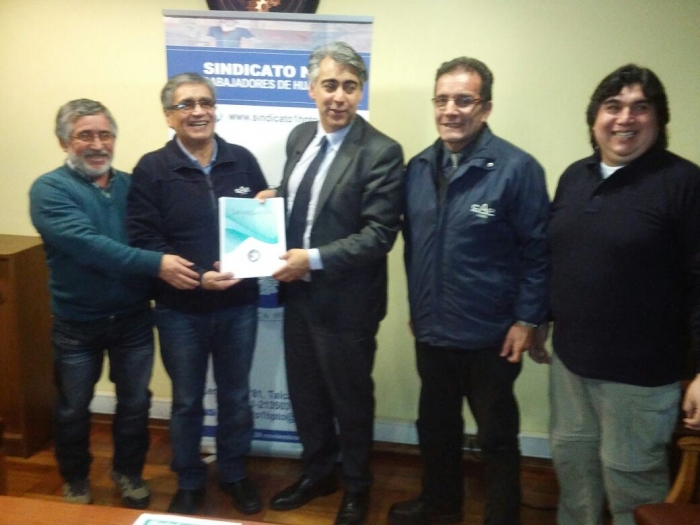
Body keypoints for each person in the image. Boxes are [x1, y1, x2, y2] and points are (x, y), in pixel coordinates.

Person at [388, 57, 550, 525]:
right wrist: (419, 304)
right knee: (435, 428)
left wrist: (527, 319)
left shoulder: (517, 168)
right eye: (442, 99)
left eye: (464, 100)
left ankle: (501, 516)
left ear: (486, 108)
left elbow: (539, 252)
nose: (450, 110)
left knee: (496, 435)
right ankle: (439, 504)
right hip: (433, 330)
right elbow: (414, 246)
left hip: (493, 335)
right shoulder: (418, 167)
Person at [538, 64, 700, 525]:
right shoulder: (575, 177)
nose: (625, 118)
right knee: (574, 473)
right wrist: (540, 318)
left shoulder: (684, 182)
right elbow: (560, 258)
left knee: (632, 483)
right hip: (571, 365)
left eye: (640, 107)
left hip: (640, 378)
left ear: (658, 119)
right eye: (613, 106)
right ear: (595, 118)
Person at [29, 99, 200, 508]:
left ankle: (128, 473)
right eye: (85, 135)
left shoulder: (132, 185)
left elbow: (170, 225)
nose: (97, 144)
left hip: (133, 319)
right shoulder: (49, 190)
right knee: (73, 408)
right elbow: (90, 246)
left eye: (105, 135)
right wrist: (157, 264)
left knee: (135, 404)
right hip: (77, 324)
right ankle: (75, 479)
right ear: (64, 141)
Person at [259, 42, 404, 525]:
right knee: (307, 395)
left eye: (349, 86)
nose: (339, 96)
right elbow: (308, 200)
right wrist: (273, 197)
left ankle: (357, 488)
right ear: (311, 89)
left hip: (348, 305)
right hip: (299, 295)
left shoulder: (381, 151)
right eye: (329, 85)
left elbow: (378, 235)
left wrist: (313, 260)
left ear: (361, 91)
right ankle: (318, 473)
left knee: (351, 401)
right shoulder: (300, 136)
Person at [126, 73, 269, 516]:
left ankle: (234, 473)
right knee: (187, 401)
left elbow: (261, 225)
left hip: (238, 306)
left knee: (236, 397)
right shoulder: (152, 169)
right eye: (186, 104)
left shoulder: (242, 160)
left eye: (206, 102)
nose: (199, 111)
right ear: (169, 116)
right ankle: (188, 478)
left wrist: (269, 210)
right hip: (179, 310)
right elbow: (143, 238)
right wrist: (198, 276)